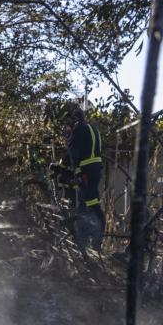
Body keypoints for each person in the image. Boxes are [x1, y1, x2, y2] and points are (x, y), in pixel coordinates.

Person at [53, 102, 105, 250]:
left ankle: (94, 240)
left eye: (68, 123)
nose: (67, 127)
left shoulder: (79, 130)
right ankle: (86, 241)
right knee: (87, 204)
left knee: (92, 205)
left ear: (74, 120)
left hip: (87, 171)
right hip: (94, 170)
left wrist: (59, 167)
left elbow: (72, 153)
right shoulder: (93, 129)